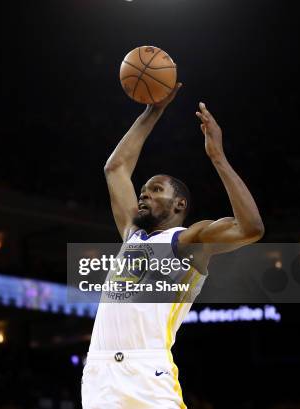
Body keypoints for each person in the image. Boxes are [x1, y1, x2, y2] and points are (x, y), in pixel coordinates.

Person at [82, 83, 264, 409]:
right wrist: (153, 111)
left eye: (155, 189)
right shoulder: (132, 235)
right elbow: (115, 168)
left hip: (147, 375)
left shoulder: (189, 241)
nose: (144, 193)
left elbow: (250, 228)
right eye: (144, 189)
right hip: (100, 375)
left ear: (179, 204)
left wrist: (218, 158)